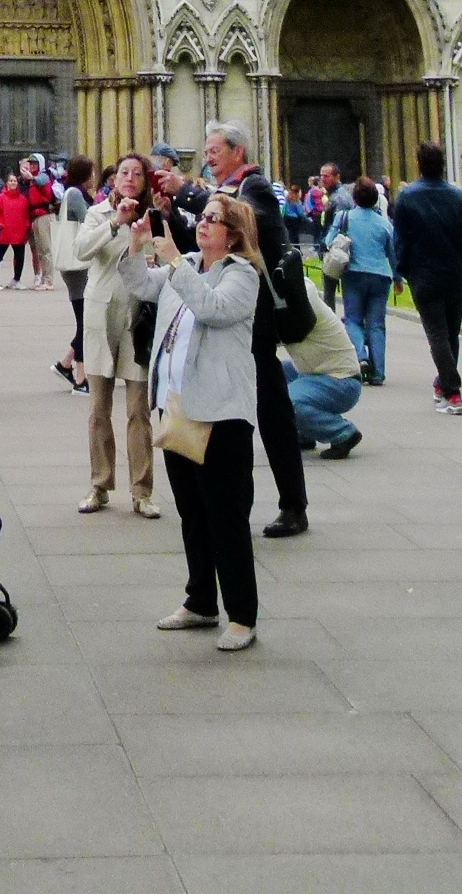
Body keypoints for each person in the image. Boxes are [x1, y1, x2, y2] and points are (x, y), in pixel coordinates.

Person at [121, 192, 262, 651]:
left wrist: (177, 262)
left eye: (214, 220)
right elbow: (140, 285)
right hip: (178, 407)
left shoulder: (241, 274)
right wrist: (136, 243)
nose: (203, 225)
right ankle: (201, 600)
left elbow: (213, 309)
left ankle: (242, 615)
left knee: (226, 517)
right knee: (193, 513)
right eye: (202, 218)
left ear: (234, 233)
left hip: (220, 412)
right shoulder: (190, 266)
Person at [202, 124, 309, 538]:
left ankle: (293, 506)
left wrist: (194, 196)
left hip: (257, 323)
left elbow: (247, 221)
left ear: (237, 151)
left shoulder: (256, 187)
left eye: (215, 150)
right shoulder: (225, 193)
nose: (208, 156)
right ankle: (232, 507)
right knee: (233, 418)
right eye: (207, 150)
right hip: (229, 317)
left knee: (272, 415)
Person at [72, 153, 160, 517]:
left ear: (143, 182)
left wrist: (141, 239)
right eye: (124, 172)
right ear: (113, 178)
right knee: (98, 408)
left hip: (136, 316)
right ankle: (99, 484)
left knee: (139, 409)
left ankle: (142, 491)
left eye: (137, 173)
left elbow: (158, 265)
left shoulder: (153, 218)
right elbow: (80, 251)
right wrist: (115, 223)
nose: (129, 178)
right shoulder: (97, 214)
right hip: (100, 313)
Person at [391, 140, 462, 415]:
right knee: (450, 332)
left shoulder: (407, 197)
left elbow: (400, 240)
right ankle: (443, 385)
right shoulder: (461, 197)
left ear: (419, 164)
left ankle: (452, 391)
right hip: (453, 272)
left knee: (437, 334)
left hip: (424, 273)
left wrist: (401, 271)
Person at [281, 280, 364, 458]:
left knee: (287, 401)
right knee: (272, 373)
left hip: (342, 380)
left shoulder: (299, 300)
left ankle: (343, 433)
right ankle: (306, 432)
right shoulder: (296, 287)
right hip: (315, 372)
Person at [333, 177, 395, 385]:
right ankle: (378, 372)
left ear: (355, 198)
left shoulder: (344, 217)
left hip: (354, 273)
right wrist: (399, 277)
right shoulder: (384, 223)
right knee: (377, 324)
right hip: (380, 275)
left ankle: (360, 357)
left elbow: (328, 241)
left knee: (353, 319)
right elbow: (392, 253)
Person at [52, 154, 96, 391]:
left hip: (77, 265)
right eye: (92, 171)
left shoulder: (74, 193)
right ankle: (79, 377)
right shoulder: (76, 194)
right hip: (78, 265)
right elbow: (89, 221)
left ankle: (67, 364)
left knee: (85, 319)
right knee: (86, 321)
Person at [316, 163, 353, 310]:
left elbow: (338, 227)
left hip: (336, 251)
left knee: (329, 292)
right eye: (321, 175)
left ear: (337, 177)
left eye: (327, 176)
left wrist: (327, 244)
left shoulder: (339, 198)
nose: (323, 179)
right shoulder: (336, 195)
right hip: (336, 249)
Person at [0, 171, 32, 288]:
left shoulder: (23, 199)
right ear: (7, 183)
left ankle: (16, 280)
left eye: (15, 181)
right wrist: (0, 224)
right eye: (11, 181)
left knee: (20, 257)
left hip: (19, 232)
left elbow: (26, 215)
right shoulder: (1, 198)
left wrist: (26, 226)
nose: (13, 183)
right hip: (5, 232)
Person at [20, 157, 56, 287]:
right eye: (30, 163)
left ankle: (49, 279)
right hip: (34, 216)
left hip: (43, 215)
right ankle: (44, 278)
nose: (32, 165)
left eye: (35, 163)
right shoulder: (31, 180)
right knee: (39, 250)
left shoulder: (43, 176)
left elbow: (41, 181)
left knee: (45, 249)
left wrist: (31, 178)